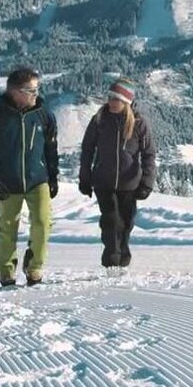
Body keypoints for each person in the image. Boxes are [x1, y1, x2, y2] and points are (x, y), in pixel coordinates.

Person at [0, 67, 59, 287]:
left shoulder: (44, 115)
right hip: (7, 180)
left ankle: (34, 269)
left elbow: (51, 148)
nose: (36, 93)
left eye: (36, 88)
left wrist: (53, 176)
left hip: (38, 179)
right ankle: (7, 272)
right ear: (15, 92)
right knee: (8, 226)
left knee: (43, 222)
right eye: (31, 90)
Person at [79, 78, 156, 270]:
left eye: (116, 99)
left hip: (129, 184)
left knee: (126, 223)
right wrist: (85, 178)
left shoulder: (139, 123)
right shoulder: (99, 120)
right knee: (111, 220)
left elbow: (149, 154)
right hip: (103, 181)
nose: (111, 102)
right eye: (110, 97)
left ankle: (123, 257)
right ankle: (112, 261)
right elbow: (87, 149)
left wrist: (147, 182)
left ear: (126, 102)